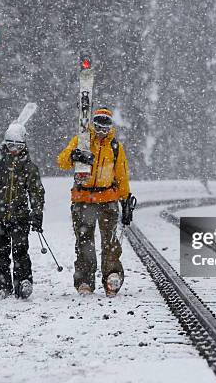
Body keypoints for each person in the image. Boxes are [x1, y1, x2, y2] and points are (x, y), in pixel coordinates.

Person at [57, 107, 132, 297]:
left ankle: (112, 276)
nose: (100, 132)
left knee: (110, 242)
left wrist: (125, 200)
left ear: (110, 128)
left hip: (107, 200)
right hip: (83, 199)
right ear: (93, 125)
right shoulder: (81, 141)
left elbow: (122, 175)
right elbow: (62, 161)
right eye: (97, 127)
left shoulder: (115, 147)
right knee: (84, 242)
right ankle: (84, 280)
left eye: (104, 128)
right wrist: (74, 155)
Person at [0, 124, 45, 299]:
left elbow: (36, 191)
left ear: (24, 146)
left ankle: (23, 282)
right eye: (11, 146)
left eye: (19, 146)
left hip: (20, 216)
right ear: (6, 145)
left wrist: (37, 212)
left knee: (21, 251)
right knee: (0, 252)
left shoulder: (29, 167)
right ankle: (1, 285)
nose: (14, 150)